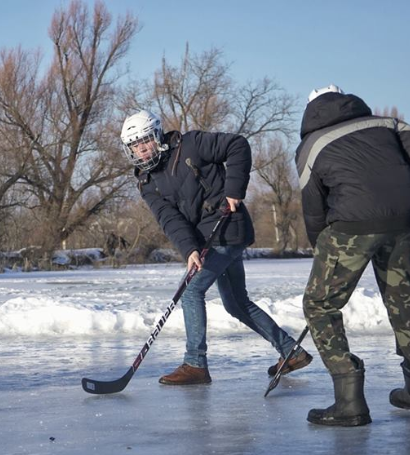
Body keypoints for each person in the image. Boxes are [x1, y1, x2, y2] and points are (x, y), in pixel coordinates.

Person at [120, 110, 312, 385]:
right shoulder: (146, 181)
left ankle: (195, 364)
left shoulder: (192, 145)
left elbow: (237, 145)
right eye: (135, 146)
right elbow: (170, 219)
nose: (141, 149)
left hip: (228, 226)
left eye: (145, 141)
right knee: (235, 303)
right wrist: (189, 250)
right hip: (204, 241)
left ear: (157, 135)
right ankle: (290, 351)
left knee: (191, 291)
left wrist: (234, 189)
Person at [295, 84, 410, 426]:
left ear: (311, 112)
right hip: (404, 218)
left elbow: (313, 209)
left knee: (320, 305)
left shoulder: (311, 145)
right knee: (404, 300)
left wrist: (319, 249)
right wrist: (407, 199)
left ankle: (349, 402)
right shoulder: (389, 124)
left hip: (351, 226)